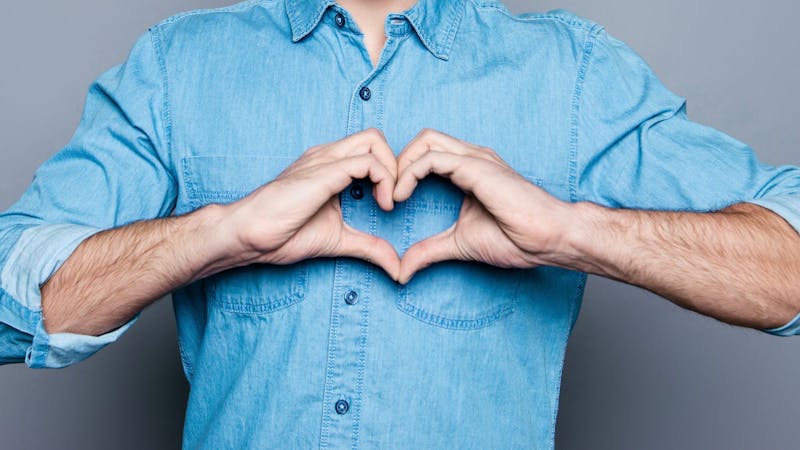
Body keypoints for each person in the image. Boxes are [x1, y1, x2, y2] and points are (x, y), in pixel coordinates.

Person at [1, 0, 798, 448]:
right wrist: (223, 233)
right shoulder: (179, 65)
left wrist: (571, 232)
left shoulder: (570, 71)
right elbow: (12, 307)